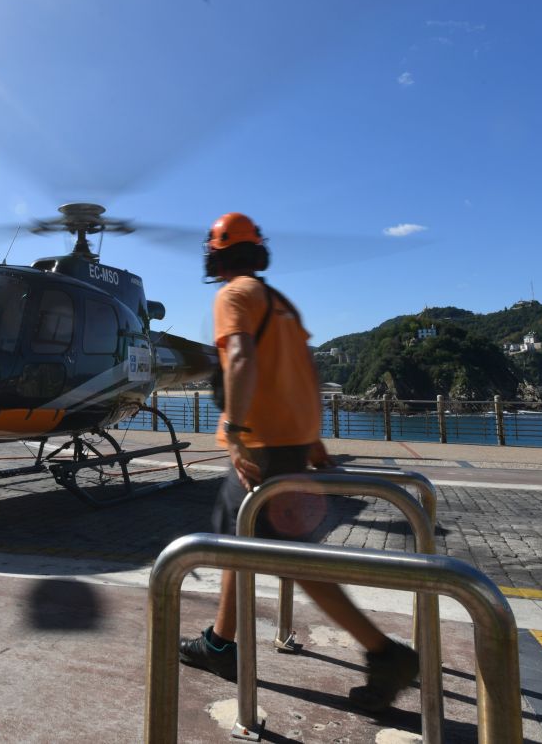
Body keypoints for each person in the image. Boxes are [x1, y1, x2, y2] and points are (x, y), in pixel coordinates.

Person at [178, 212, 418, 712]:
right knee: (240, 542)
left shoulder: (233, 296)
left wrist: (237, 431)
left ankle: (385, 653)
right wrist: (311, 439)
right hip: (288, 444)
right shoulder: (280, 303)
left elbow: (240, 359)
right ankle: (221, 643)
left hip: (262, 447)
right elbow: (308, 369)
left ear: (217, 254)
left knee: (294, 559)